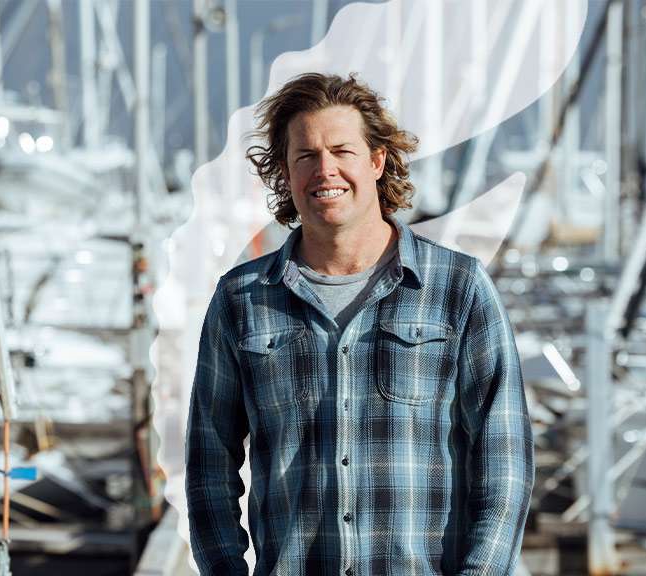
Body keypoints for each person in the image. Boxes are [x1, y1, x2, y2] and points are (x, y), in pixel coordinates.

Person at [186, 72, 534, 575]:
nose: (324, 170)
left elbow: (505, 463)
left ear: (376, 161)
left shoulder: (458, 288)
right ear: (284, 172)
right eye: (305, 155)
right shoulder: (241, 299)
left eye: (342, 151)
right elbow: (207, 466)